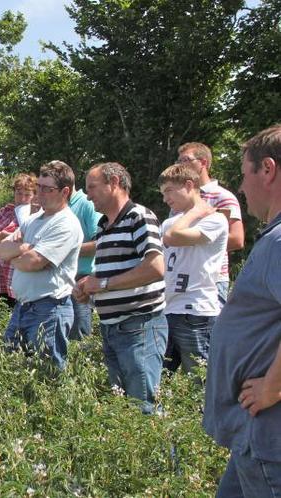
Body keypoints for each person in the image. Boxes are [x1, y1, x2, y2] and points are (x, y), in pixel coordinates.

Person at [204, 124, 281, 497]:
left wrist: (273, 386)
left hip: (268, 437)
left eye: (244, 173)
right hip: (254, 435)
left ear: (267, 169)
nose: (240, 187)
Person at [73, 162, 167, 414]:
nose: (88, 194)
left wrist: (101, 284)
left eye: (92, 187)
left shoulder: (139, 217)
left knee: (144, 406)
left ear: (114, 183)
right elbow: (112, 272)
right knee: (125, 409)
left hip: (139, 326)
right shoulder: (104, 226)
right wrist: (89, 289)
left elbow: (156, 267)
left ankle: (162, 454)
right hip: (112, 328)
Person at [0, 161, 82, 370]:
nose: (39, 194)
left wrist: (20, 255)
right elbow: (1, 249)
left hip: (49, 310)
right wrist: (25, 248)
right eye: (39, 188)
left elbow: (32, 262)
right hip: (23, 306)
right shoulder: (34, 219)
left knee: (48, 374)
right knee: (9, 366)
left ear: (64, 191)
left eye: (47, 189)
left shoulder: (66, 223)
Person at [158, 164, 228, 374]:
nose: (165, 198)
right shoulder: (171, 222)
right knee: (157, 380)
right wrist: (191, 212)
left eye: (169, 190)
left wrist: (196, 211)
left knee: (200, 382)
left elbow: (174, 237)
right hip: (169, 308)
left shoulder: (215, 220)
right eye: (162, 193)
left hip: (196, 312)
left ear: (189, 185)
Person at [177, 142, 244, 305]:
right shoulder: (180, 198)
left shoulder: (223, 197)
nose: (180, 166)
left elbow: (237, 239)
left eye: (186, 160)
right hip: (182, 277)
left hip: (211, 279)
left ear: (203, 163)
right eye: (178, 161)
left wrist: (190, 239)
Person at [0, 173, 41, 308]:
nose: (22, 198)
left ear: (34, 195)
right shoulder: (6, 211)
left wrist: (1, 236)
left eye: (27, 195)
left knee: (18, 308)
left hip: (17, 273)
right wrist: (6, 236)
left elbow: (28, 239)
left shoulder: (35, 214)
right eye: (19, 193)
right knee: (2, 308)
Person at [67, 171, 102, 340]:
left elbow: (100, 243)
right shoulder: (57, 207)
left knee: (79, 333)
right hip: (62, 277)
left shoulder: (85, 204)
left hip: (82, 276)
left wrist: (64, 250)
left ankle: (81, 364)